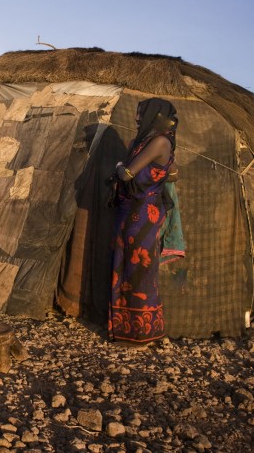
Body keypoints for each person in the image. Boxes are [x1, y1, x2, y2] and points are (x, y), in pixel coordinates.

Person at [109, 97, 179, 347]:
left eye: (141, 113)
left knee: (140, 271)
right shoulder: (142, 143)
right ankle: (124, 329)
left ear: (155, 115)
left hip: (145, 214)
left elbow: (127, 173)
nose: (137, 118)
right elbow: (173, 175)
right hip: (128, 211)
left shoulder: (160, 142)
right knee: (123, 267)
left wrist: (119, 166)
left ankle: (142, 334)